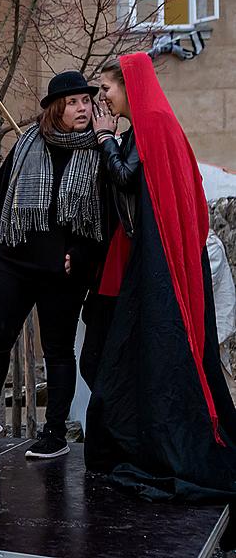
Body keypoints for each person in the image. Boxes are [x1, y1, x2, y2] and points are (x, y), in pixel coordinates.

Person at [84, 54, 236, 528]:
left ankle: (153, 448)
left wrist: (107, 139)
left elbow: (127, 176)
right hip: (148, 266)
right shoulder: (150, 125)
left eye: (106, 90)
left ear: (127, 85)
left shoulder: (152, 124)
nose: (102, 100)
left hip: (160, 270)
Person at [0, 71, 105, 459]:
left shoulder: (99, 151)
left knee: (58, 352)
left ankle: (55, 434)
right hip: (13, 262)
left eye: (86, 101)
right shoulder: (28, 143)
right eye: (73, 102)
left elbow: (104, 218)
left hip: (61, 274)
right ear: (55, 109)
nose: (82, 108)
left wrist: (81, 256)